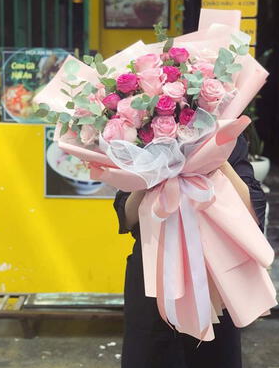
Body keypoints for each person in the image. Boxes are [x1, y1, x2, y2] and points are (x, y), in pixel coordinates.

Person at [114, 135, 266, 368]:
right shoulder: (141, 137)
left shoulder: (227, 138)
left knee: (214, 357)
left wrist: (216, 154)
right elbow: (127, 217)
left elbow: (254, 211)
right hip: (152, 277)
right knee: (149, 354)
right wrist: (154, 168)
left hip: (213, 277)